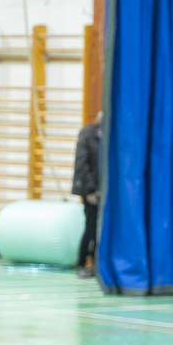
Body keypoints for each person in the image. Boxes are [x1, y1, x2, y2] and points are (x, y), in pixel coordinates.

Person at [71, 112, 101, 278]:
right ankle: (82, 264)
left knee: (100, 229)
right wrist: (90, 190)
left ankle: (96, 266)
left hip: (102, 189)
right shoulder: (87, 135)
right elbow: (81, 164)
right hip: (89, 190)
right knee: (90, 227)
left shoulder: (107, 136)